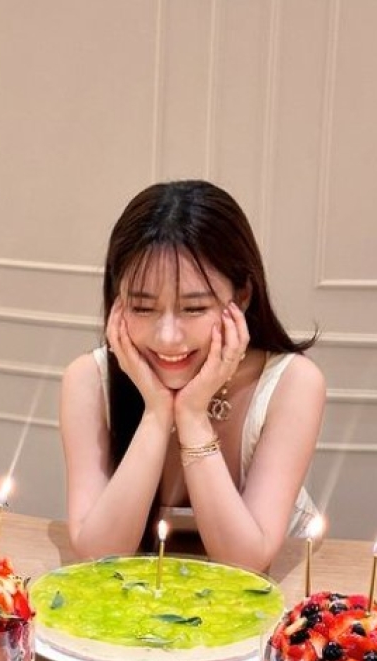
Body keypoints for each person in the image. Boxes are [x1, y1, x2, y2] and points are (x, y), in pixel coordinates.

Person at [60, 180, 326, 571]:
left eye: (194, 308)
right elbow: (98, 557)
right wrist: (156, 413)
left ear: (242, 297)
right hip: (133, 600)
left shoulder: (293, 384)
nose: (168, 337)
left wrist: (192, 415)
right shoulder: (87, 380)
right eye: (143, 308)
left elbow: (245, 563)